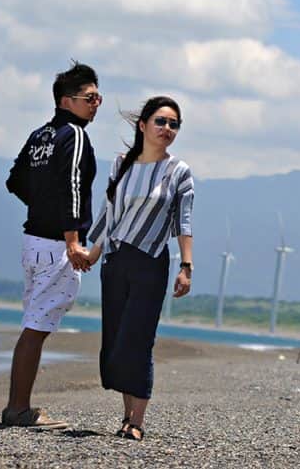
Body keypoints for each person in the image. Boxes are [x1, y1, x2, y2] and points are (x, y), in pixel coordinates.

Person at [88, 95, 194, 441]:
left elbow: (183, 221)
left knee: (139, 339)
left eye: (174, 124)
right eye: (161, 121)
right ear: (143, 125)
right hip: (115, 259)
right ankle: (125, 416)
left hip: (150, 261)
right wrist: (94, 251)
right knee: (117, 340)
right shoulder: (121, 164)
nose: (167, 128)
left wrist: (186, 266)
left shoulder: (179, 172)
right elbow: (108, 212)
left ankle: (137, 421)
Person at [3, 61, 101, 429]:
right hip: (56, 245)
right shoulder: (74, 135)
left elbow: (14, 181)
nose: (95, 104)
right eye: (90, 98)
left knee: (34, 323)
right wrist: (72, 240)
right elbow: (72, 185)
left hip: (32, 241)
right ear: (66, 101)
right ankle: (18, 409)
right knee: (36, 327)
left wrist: (42, 206)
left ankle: (18, 406)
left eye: (98, 98)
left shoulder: (39, 135)